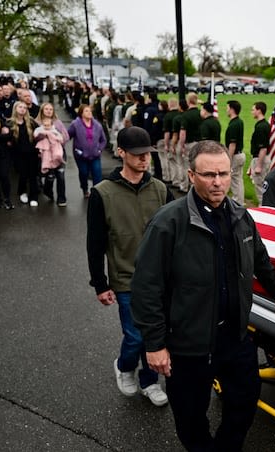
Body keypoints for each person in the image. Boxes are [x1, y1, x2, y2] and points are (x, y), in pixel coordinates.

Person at [130, 140, 275, 451]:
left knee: (245, 402)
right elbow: (145, 287)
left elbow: (260, 258)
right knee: (190, 416)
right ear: (191, 175)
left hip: (235, 338)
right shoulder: (168, 223)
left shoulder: (240, 216)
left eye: (223, 173)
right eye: (208, 175)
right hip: (189, 345)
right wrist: (155, 344)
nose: (218, 182)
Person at [86, 126, 174, 407]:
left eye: (147, 154)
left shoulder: (160, 189)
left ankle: (149, 381)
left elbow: (176, 235)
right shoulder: (103, 193)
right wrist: (100, 283)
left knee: (156, 335)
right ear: (121, 153)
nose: (144, 159)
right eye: (137, 154)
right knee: (136, 336)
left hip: (161, 279)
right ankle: (125, 366)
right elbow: (95, 243)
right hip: (126, 279)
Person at [1, 101, 40, 207]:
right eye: (20, 107)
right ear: (15, 109)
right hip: (18, 154)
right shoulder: (9, 123)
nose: (22, 109)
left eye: (24, 107)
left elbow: (38, 135)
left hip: (32, 153)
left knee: (33, 175)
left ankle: (34, 196)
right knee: (23, 174)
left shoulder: (31, 122)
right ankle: (22, 192)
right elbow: (5, 138)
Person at [67, 104, 107, 198]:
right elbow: (68, 136)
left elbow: (103, 140)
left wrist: (99, 150)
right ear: (81, 113)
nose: (89, 113)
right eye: (86, 111)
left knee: (97, 174)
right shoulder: (75, 124)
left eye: (90, 111)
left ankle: (96, 193)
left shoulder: (97, 125)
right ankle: (84, 188)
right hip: (81, 155)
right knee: (84, 173)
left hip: (95, 155)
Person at [35, 103, 69, 206]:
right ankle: (47, 191)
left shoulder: (57, 123)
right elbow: (34, 137)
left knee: (60, 175)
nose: (49, 111)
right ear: (42, 110)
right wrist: (43, 135)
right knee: (49, 176)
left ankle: (61, 199)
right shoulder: (37, 122)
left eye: (51, 109)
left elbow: (66, 136)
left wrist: (58, 139)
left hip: (58, 152)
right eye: (46, 109)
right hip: (45, 154)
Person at [224, 100, 246, 204]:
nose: (226, 110)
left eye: (227, 108)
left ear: (232, 109)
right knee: (238, 179)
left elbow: (232, 144)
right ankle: (240, 201)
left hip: (235, 155)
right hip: (240, 154)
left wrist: (228, 159)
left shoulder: (233, 125)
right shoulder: (239, 121)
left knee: (235, 181)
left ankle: (238, 202)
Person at [249, 101, 271, 204]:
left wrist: (258, 165)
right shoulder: (261, 125)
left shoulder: (261, 127)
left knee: (260, 186)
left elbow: (263, 148)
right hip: (259, 157)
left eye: (253, 110)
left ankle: (263, 208)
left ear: (259, 111)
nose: (251, 112)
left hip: (260, 158)